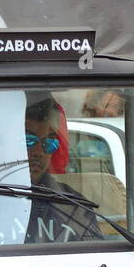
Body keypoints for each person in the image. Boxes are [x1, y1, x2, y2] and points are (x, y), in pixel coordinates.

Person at [23, 95, 98, 243]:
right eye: (29, 141)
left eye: (49, 143)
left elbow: (97, 259)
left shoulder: (74, 207)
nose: (39, 152)